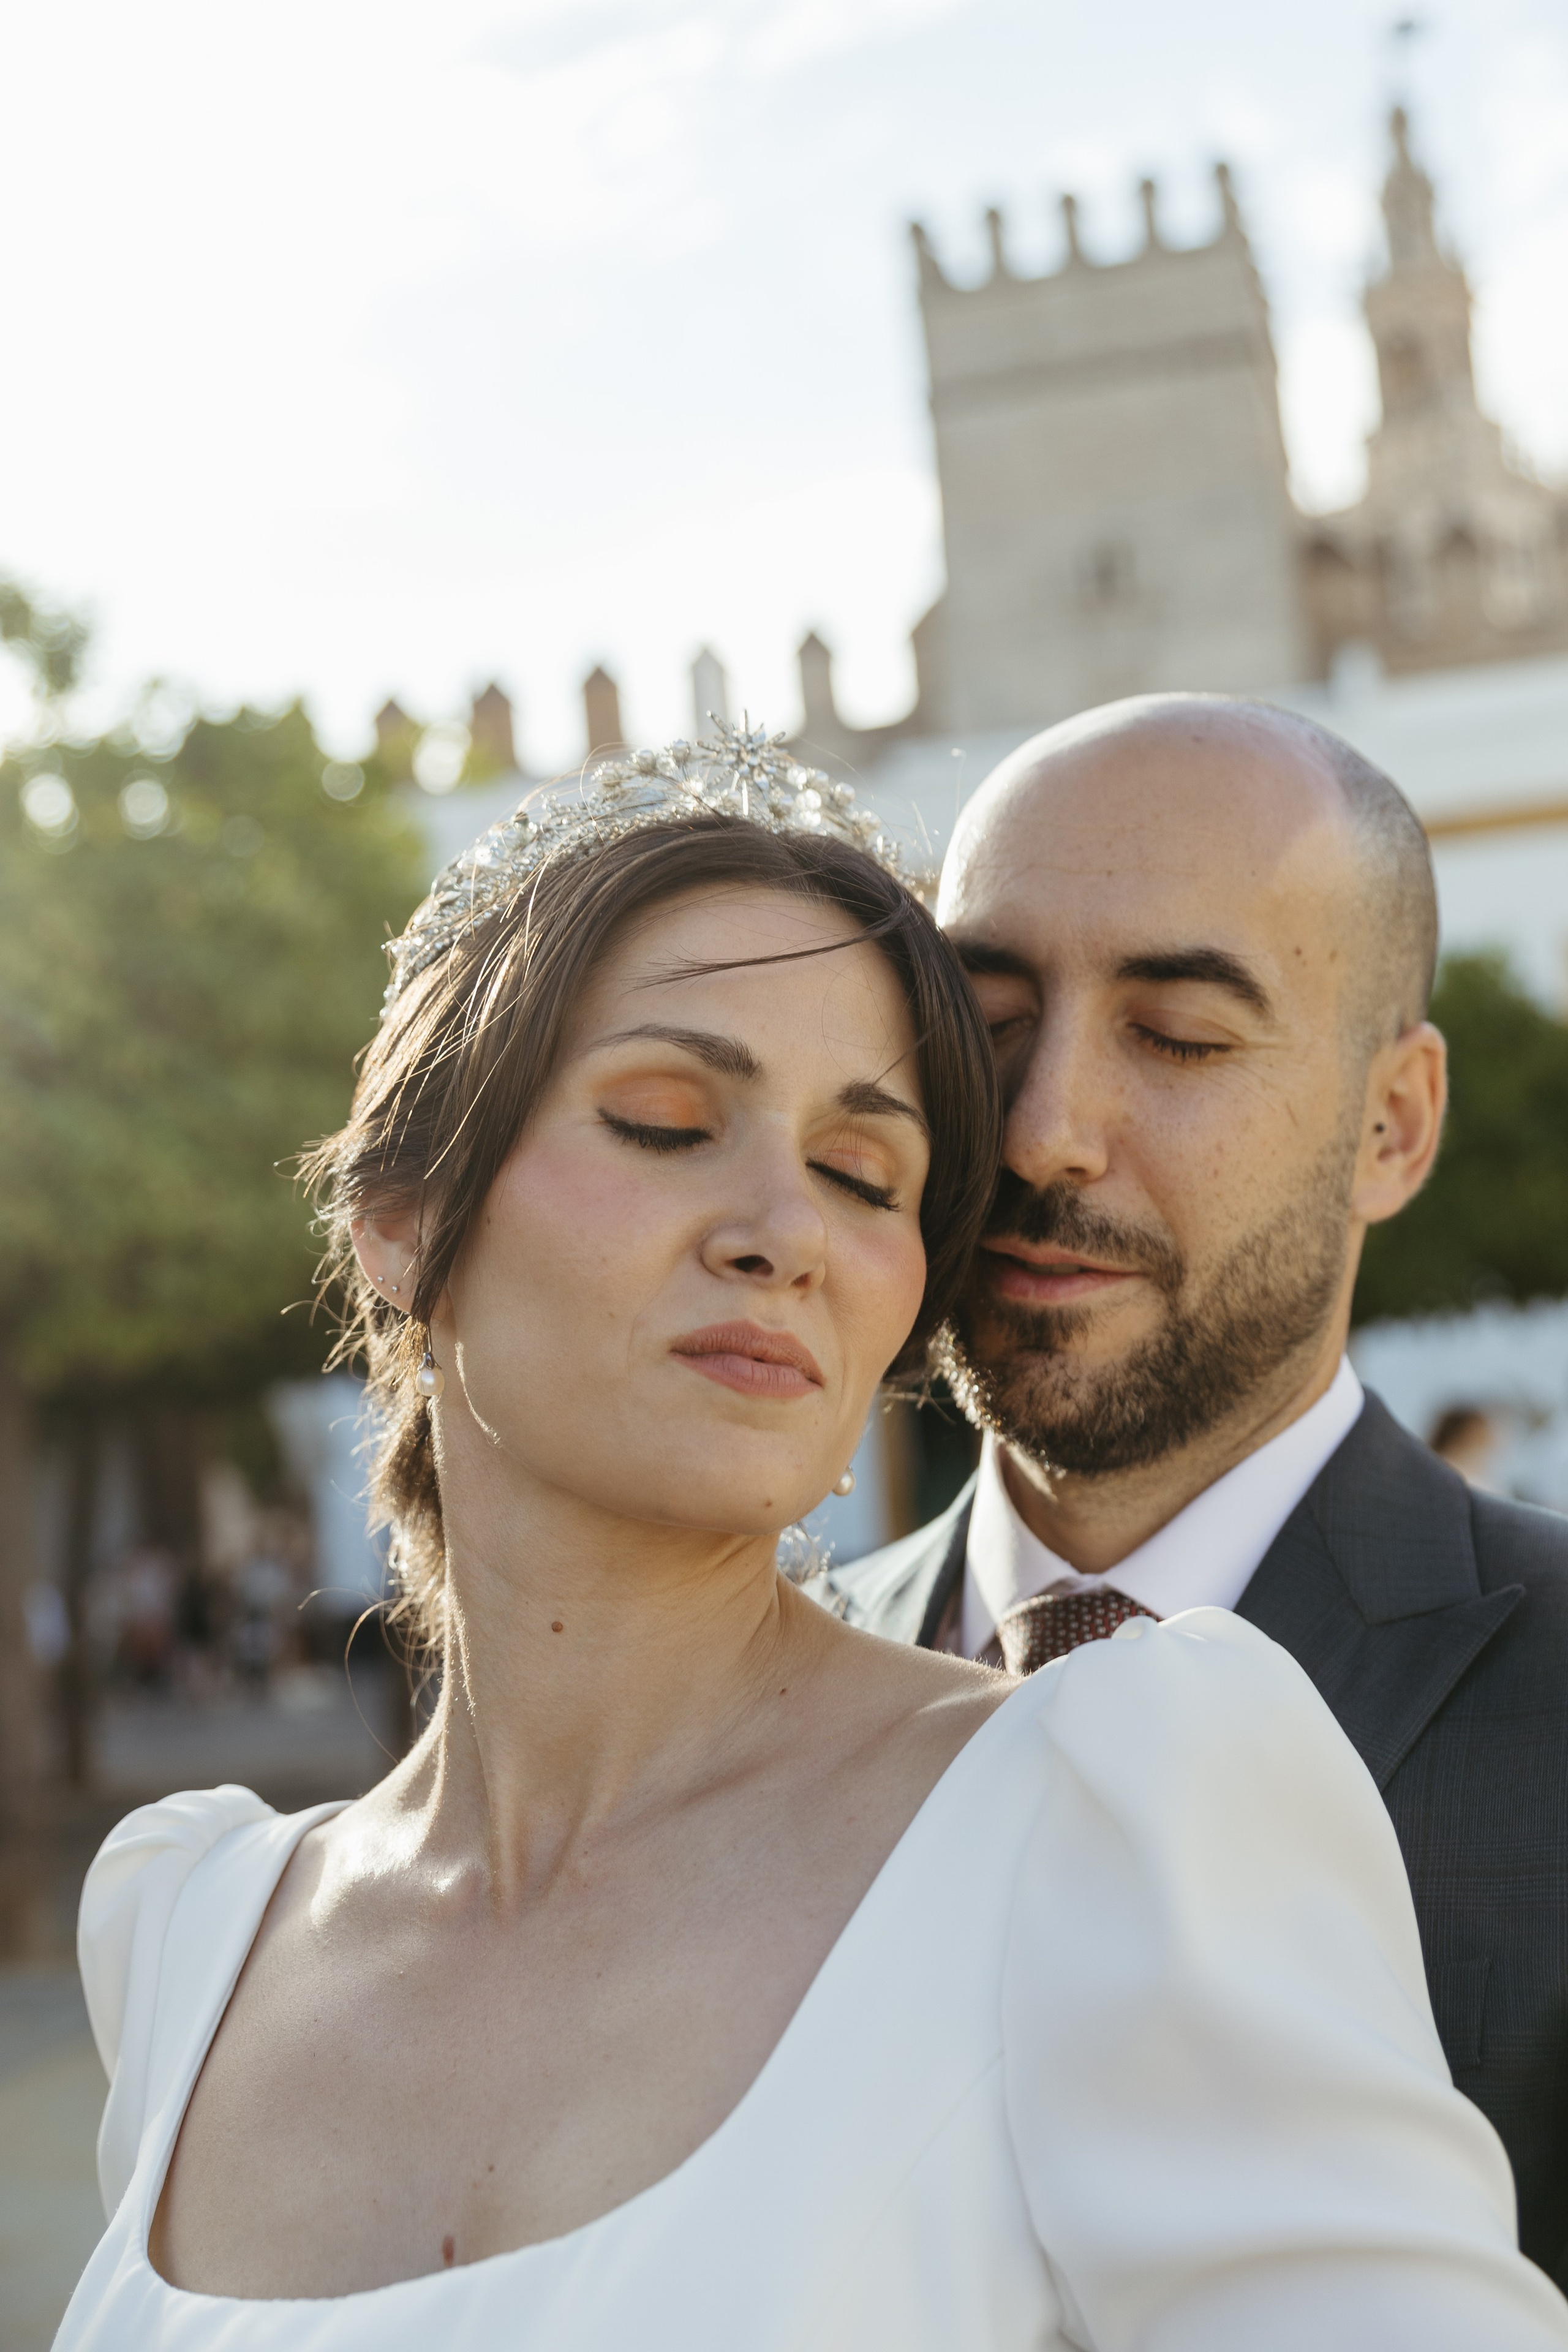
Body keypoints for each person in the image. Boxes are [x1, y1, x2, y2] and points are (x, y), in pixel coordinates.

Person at [58, 724, 1568, 2349]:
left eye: (863, 1168)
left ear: (1398, 1121)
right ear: (403, 1215)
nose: (1045, 1137)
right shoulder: (194, 1928)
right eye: (658, 1118)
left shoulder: (1126, 1779)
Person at [826, 694, 1568, 2288]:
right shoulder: (753, 1706)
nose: (1043, 1132)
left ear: (1393, 1123)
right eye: (989, 1020)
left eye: (1178, 1036)